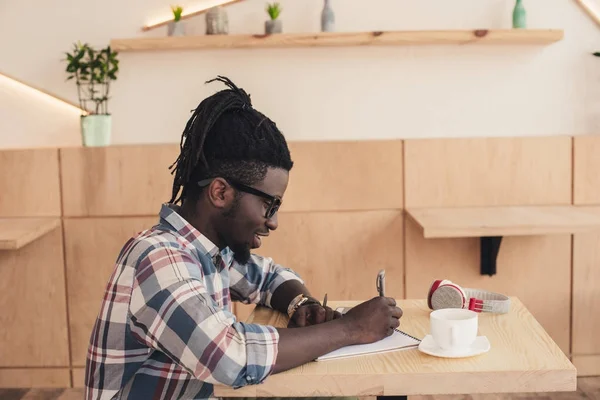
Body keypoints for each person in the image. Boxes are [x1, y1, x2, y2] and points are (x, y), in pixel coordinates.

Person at [84, 76, 403, 400]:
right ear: (220, 192)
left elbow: (268, 278)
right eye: (269, 204)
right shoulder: (157, 257)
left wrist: (301, 304)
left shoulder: (208, 253)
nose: (274, 221)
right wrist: (350, 329)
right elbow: (229, 356)